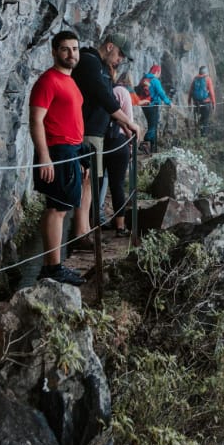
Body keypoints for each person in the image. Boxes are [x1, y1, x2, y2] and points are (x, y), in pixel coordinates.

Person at [28, 30, 87, 286]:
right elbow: (36, 120)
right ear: (54, 51)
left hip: (71, 151)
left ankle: (54, 266)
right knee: (56, 209)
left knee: (61, 208)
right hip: (57, 151)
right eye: (65, 49)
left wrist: (80, 158)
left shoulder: (70, 81)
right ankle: (52, 268)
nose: (71, 54)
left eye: (74, 49)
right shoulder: (47, 81)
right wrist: (44, 156)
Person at [71, 35, 143, 246]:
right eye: (120, 54)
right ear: (110, 46)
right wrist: (128, 123)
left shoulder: (100, 66)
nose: (120, 59)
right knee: (86, 181)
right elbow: (103, 96)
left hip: (96, 132)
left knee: (90, 183)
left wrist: (123, 125)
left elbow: (106, 99)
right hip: (88, 130)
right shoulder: (89, 61)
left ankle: (83, 232)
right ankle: (81, 234)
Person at [104, 71, 138, 235]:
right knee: (117, 185)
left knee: (97, 184)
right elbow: (128, 121)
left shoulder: (105, 90)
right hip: (119, 141)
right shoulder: (123, 92)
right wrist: (131, 145)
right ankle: (120, 226)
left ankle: (93, 222)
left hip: (102, 141)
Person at [137, 63, 170, 152]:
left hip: (144, 105)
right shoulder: (155, 80)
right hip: (153, 106)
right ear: (157, 71)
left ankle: (152, 148)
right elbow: (161, 93)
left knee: (151, 124)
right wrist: (169, 102)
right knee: (153, 126)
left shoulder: (144, 79)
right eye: (159, 72)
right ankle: (145, 143)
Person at [188, 65, 215, 136]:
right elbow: (212, 93)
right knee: (205, 121)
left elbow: (190, 91)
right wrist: (213, 103)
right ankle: (203, 136)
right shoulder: (208, 79)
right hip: (206, 103)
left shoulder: (195, 79)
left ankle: (197, 135)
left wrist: (189, 103)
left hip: (196, 103)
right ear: (206, 72)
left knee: (197, 120)